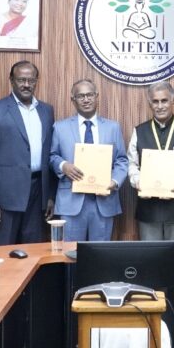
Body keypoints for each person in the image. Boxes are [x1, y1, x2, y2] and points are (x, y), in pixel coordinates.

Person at [0, 61, 56, 246]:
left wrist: (50, 196)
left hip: (38, 194)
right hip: (5, 198)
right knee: (2, 251)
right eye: (21, 80)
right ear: (11, 80)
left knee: (33, 251)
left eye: (31, 80)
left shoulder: (47, 110)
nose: (26, 85)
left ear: (36, 81)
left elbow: (50, 154)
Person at [49, 79, 128, 241]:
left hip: (103, 201)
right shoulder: (60, 127)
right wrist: (63, 166)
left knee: (99, 253)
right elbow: (52, 156)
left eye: (90, 95)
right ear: (73, 100)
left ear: (97, 96)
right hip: (71, 201)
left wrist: (114, 181)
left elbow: (122, 160)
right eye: (80, 96)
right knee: (70, 252)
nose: (86, 99)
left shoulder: (112, 127)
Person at [127, 81, 174, 241]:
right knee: (151, 254)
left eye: (164, 101)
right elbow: (132, 164)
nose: (160, 106)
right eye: (155, 101)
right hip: (149, 210)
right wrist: (137, 181)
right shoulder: (139, 131)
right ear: (150, 103)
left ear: (173, 101)